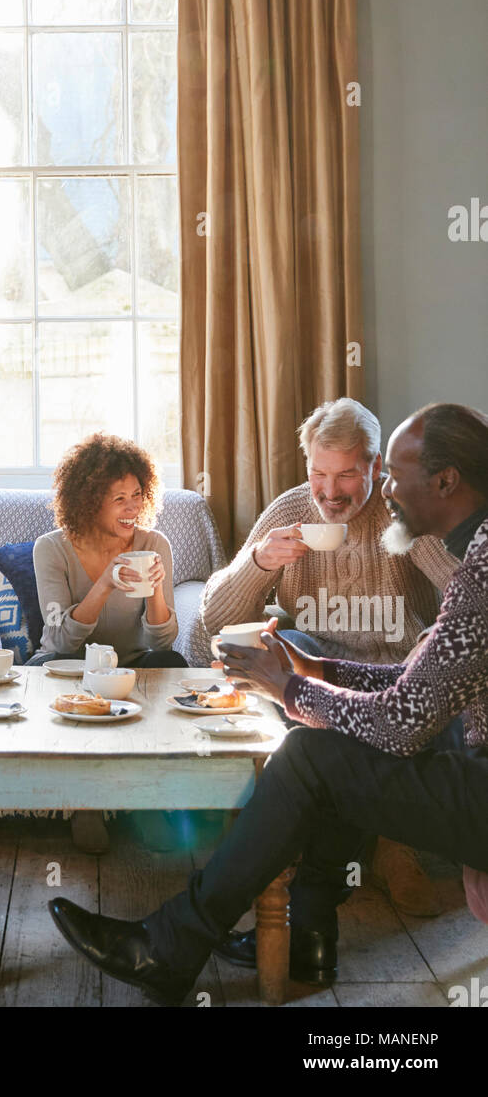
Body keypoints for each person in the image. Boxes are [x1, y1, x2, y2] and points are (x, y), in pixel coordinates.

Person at [48, 402, 488, 1004]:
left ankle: (177, 944)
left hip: (457, 757)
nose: (385, 492)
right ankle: (304, 932)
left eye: (386, 476)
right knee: (324, 741)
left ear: (443, 482)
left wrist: (292, 688)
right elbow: (217, 620)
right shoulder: (473, 544)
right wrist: (306, 651)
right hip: (450, 747)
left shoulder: (474, 563)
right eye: (319, 475)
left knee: (313, 752)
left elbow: (406, 717)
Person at [201, 396, 459, 920]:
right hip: (320, 668)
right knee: (283, 650)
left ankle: (390, 847)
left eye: (345, 476)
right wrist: (257, 562)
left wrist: (416, 545)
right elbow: (214, 620)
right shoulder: (292, 509)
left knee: (428, 683)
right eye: (319, 472)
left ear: (375, 468)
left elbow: (469, 598)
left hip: (397, 672)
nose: (329, 491)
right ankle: (344, 851)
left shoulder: (403, 511)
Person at [30, 433, 186, 852]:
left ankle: (147, 805)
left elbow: (163, 638)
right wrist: (102, 585)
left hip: (133, 661)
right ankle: (86, 807)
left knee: (174, 662)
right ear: (88, 500)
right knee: (35, 675)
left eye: (137, 495)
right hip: (67, 664)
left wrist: (153, 588)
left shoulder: (155, 545)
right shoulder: (51, 549)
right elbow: (61, 638)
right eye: (119, 498)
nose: (133, 507)